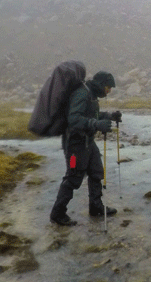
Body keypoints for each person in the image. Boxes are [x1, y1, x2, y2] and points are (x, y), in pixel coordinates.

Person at [50, 70, 121, 226]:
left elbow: (92, 115)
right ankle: (57, 213)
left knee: (96, 171)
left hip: (88, 141)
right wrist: (96, 124)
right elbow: (74, 119)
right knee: (73, 178)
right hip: (75, 144)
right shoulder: (82, 94)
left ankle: (95, 207)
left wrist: (109, 116)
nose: (108, 92)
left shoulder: (91, 95)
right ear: (101, 84)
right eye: (108, 88)